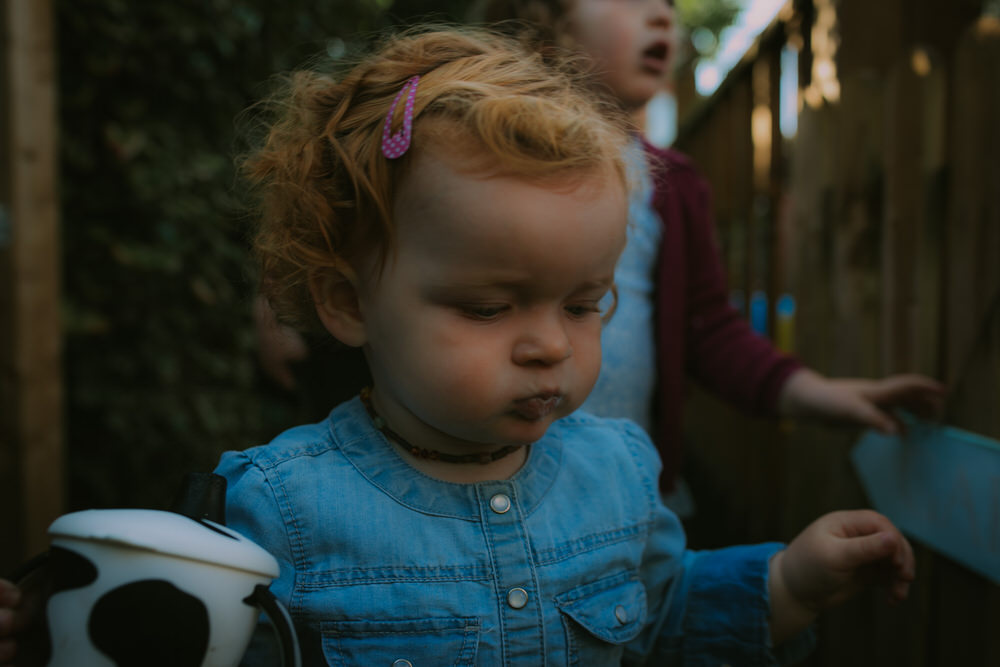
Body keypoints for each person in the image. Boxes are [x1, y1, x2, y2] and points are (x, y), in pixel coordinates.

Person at [0, 25, 916, 667]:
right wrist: (55, 629)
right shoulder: (275, 507)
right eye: (487, 307)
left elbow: (665, 620)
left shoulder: (621, 474)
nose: (548, 345)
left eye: (585, 303)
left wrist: (790, 581)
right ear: (347, 303)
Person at [476, 0, 946, 513]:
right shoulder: (473, 161)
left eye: (668, 5)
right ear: (545, 20)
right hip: (475, 488)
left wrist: (814, 393)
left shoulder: (671, 184)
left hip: (621, 499)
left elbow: (710, 329)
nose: (662, 16)